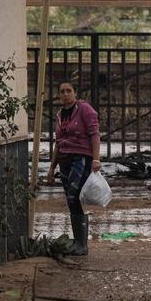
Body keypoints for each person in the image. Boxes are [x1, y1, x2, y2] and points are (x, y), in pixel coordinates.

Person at [46, 81, 100, 256]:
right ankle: (78, 242)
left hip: (80, 157)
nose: (65, 94)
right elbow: (57, 143)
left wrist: (96, 159)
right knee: (71, 200)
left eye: (69, 91)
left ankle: (81, 245)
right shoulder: (60, 114)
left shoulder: (84, 109)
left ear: (75, 93)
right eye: (62, 91)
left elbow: (95, 134)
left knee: (73, 194)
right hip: (64, 159)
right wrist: (51, 168)